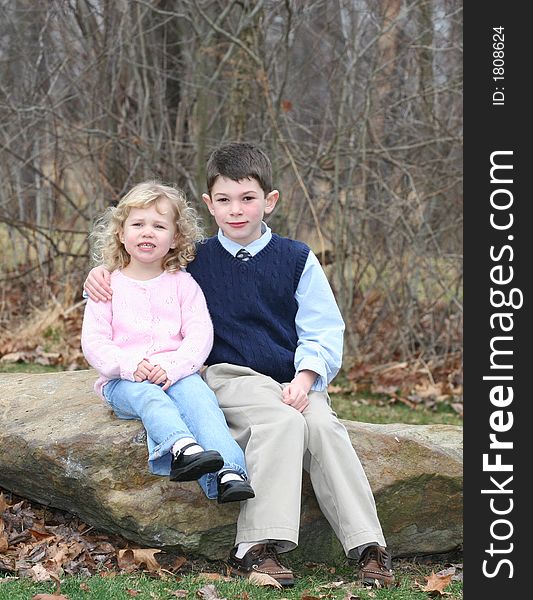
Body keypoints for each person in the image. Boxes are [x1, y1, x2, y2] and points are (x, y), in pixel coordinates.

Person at [84, 145, 395, 587]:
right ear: (209, 205)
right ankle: (258, 546)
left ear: (270, 201)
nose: (236, 210)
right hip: (231, 375)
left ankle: (368, 545)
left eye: (248, 198)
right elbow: (142, 267)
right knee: (283, 423)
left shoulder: (297, 258)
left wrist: (306, 379)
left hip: (293, 378)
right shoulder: (195, 260)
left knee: (324, 428)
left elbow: (323, 329)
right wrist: (98, 274)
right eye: (224, 200)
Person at [81, 180, 254, 504]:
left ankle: (230, 472)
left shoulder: (183, 284)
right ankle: (180, 448)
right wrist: (129, 366)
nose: (147, 232)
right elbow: (94, 341)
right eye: (138, 224)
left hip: (176, 373)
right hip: (123, 380)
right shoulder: (108, 286)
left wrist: (174, 368)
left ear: (175, 238)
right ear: (120, 232)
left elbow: (200, 334)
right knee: (150, 398)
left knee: (202, 403)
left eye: (159, 226)